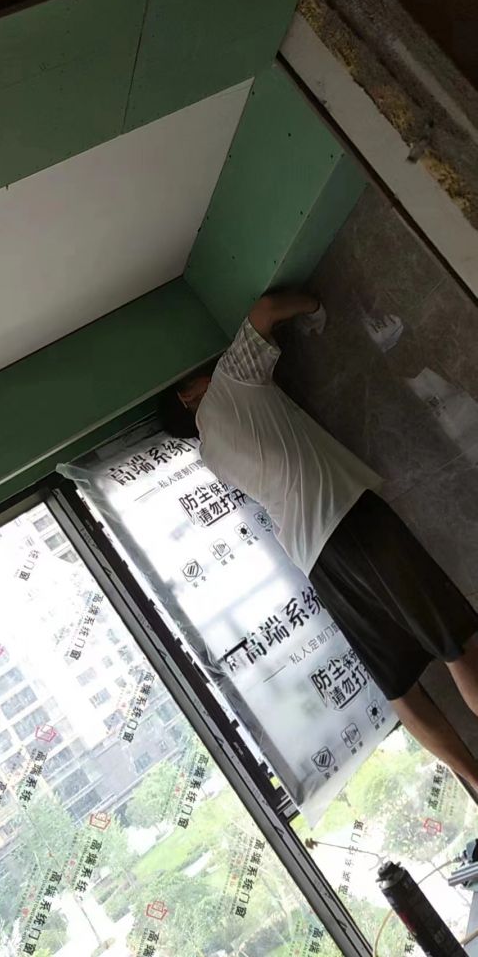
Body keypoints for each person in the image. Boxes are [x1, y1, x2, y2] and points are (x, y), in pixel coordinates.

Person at [160, 289, 478, 790]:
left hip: (316, 562)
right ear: (187, 396)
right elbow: (268, 310)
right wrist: (318, 308)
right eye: (194, 377)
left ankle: (474, 778)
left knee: (399, 687)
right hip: (349, 518)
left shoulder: (212, 454)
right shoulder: (228, 380)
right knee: (452, 637)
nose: (205, 369)